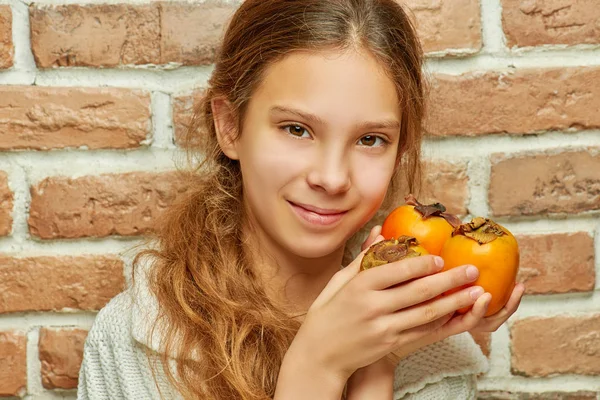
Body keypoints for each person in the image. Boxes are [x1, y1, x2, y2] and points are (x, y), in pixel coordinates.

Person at [76, 0, 525, 399]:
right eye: (297, 129)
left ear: (399, 151)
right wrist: (318, 367)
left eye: (370, 139)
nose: (331, 178)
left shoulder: (436, 357)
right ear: (230, 126)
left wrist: (376, 363)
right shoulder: (133, 343)